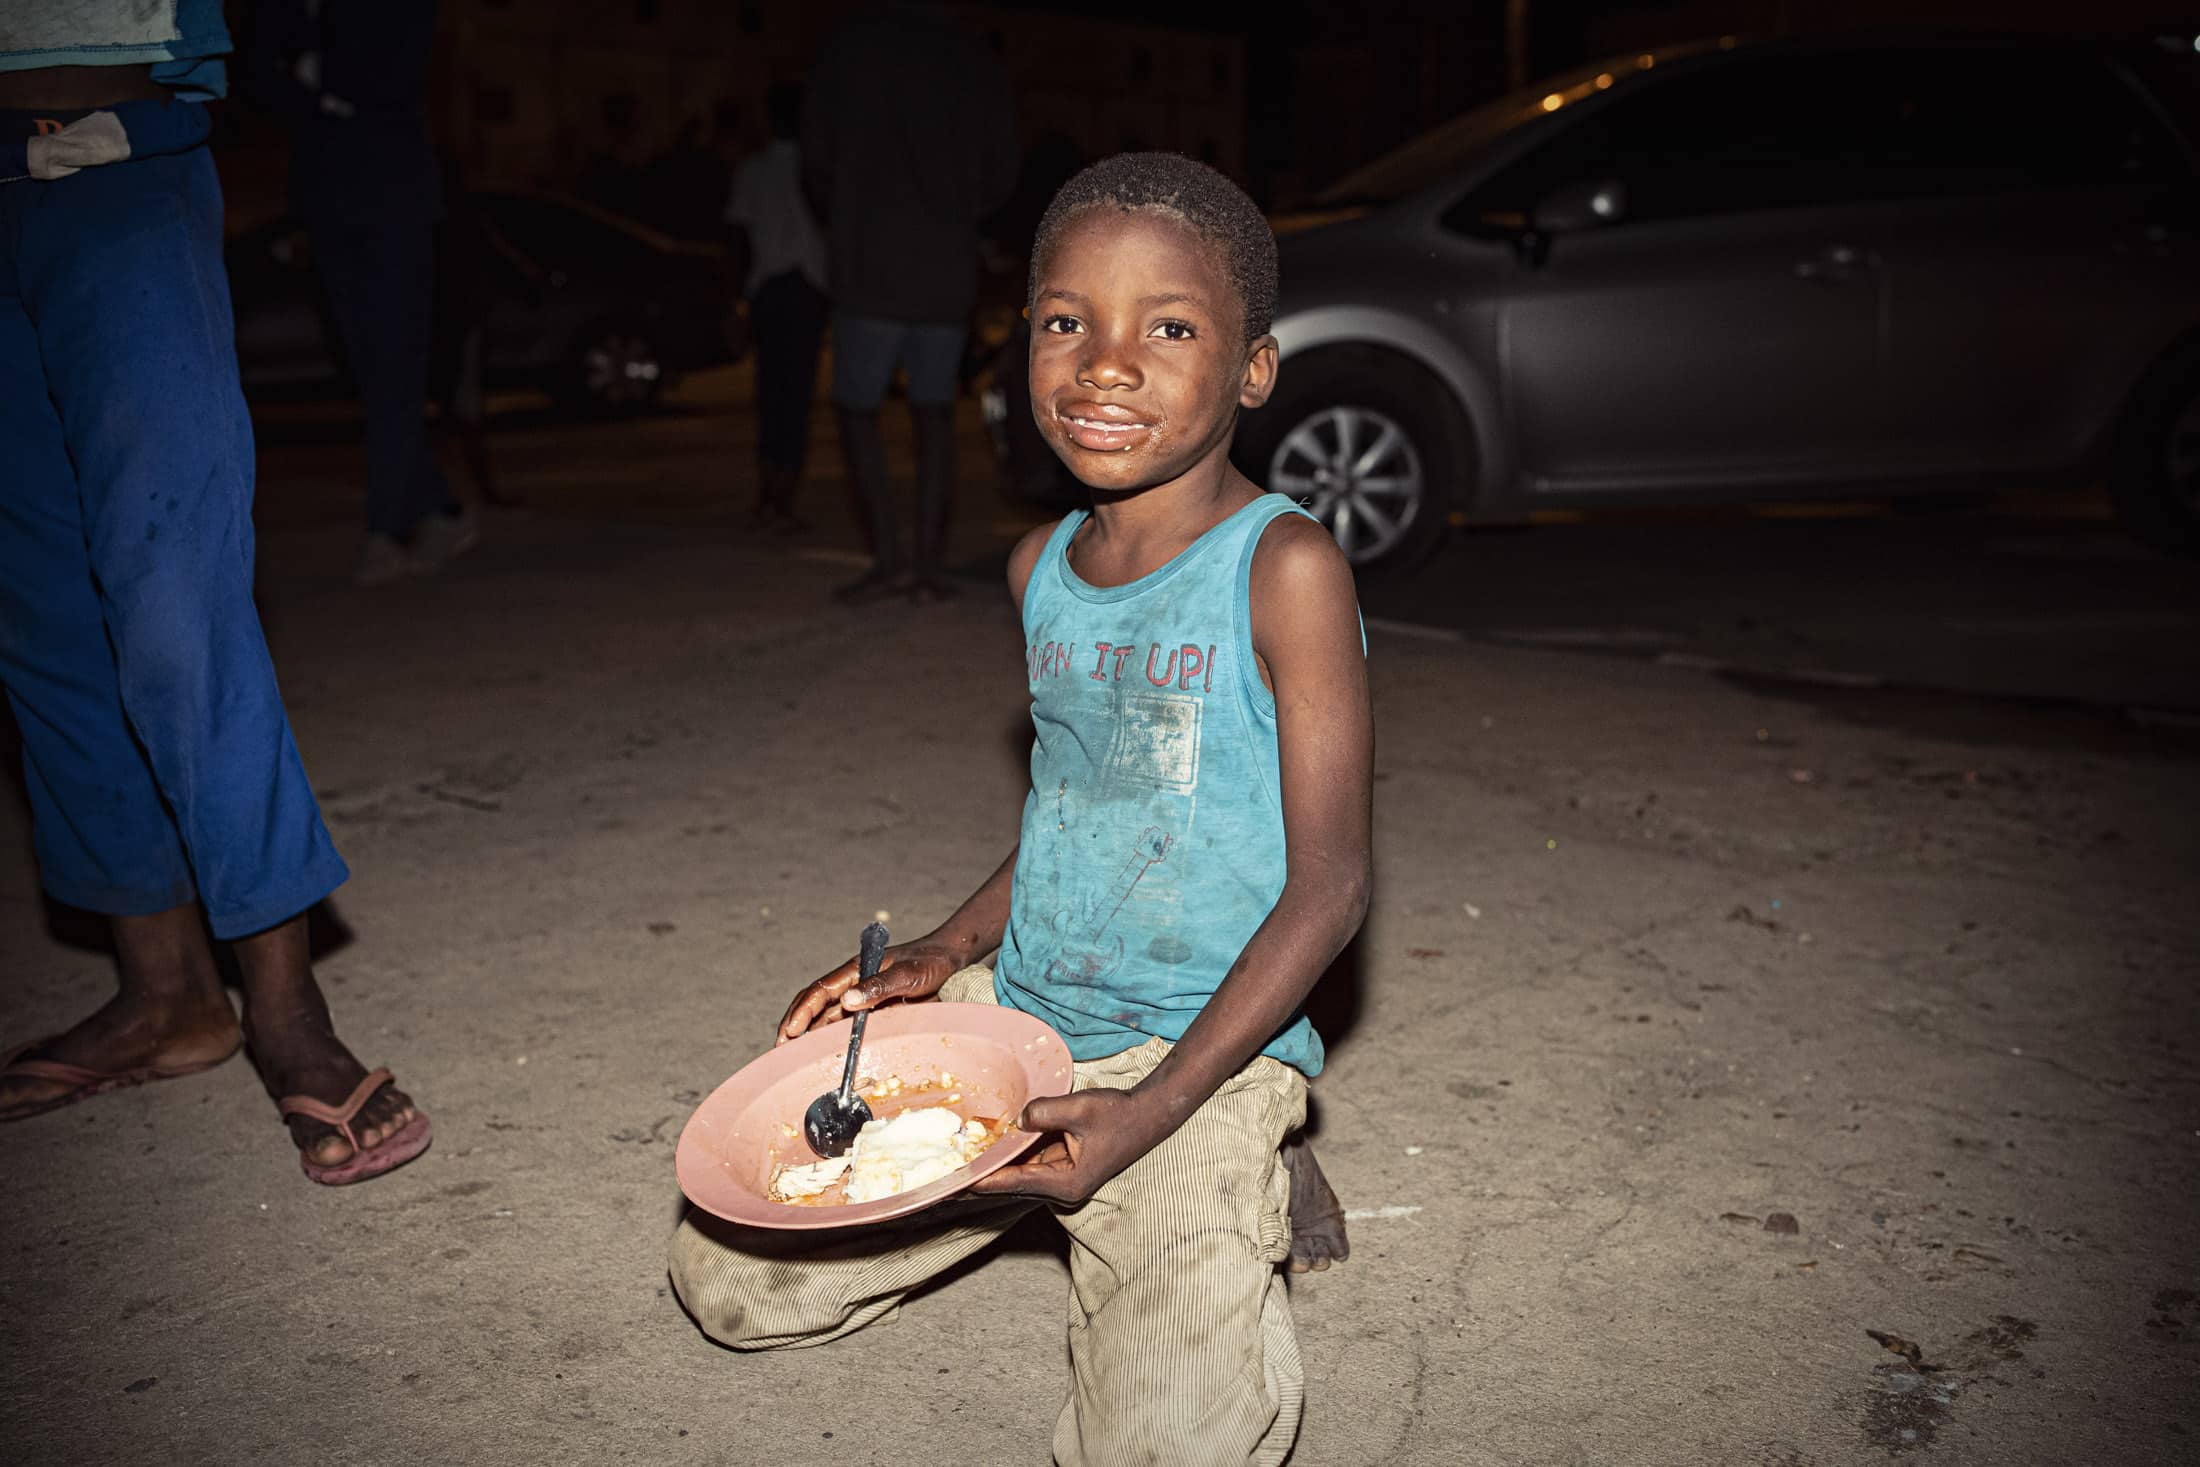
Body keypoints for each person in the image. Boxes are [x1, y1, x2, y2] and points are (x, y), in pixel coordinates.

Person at [669, 154, 1368, 1463]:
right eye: (1066, 320)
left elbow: (1331, 888)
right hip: (1026, 1023)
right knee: (728, 1279)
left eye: (1169, 326)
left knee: (1167, 1446)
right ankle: (1063, 1190)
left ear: (1254, 369)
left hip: (1193, 1052)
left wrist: (1150, 1112)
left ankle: (1236, 1156)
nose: (1107, 364)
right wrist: (943, 953)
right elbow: (1080, 803)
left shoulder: (1285, 569)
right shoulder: (1037, 566)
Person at [0, 7, 431, 1184]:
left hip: (117, 163)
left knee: (174, 603)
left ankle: (282, 1005)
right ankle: (165, 997)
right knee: (39, 619)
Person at [248, 0, 476, 587]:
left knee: (395, 363)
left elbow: (391, 79)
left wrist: (312, 76)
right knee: (368, 367)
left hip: (394, 197)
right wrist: (318, 83)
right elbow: (256, 75)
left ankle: (385, 530)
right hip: (327, 199)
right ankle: (439, 510)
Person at [801, 2, 1018, 602]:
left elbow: (814, 160)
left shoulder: (848, 47)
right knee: (934, 415)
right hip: (941, 269)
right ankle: (925, 561)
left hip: (868, 265)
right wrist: (951, 213)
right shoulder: (971, 55)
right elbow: (1003, 171)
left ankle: (890, 557)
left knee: (859, 413)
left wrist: (849, 216)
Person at [726, 83, 828, 534]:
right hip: (801, 290)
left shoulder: (757, 169)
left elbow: (739, 239)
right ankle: (777, 495)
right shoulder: (816, 169)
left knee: (774, 394)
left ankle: (773, 494)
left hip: (775, 289)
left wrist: (739, 297)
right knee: (792, 396)